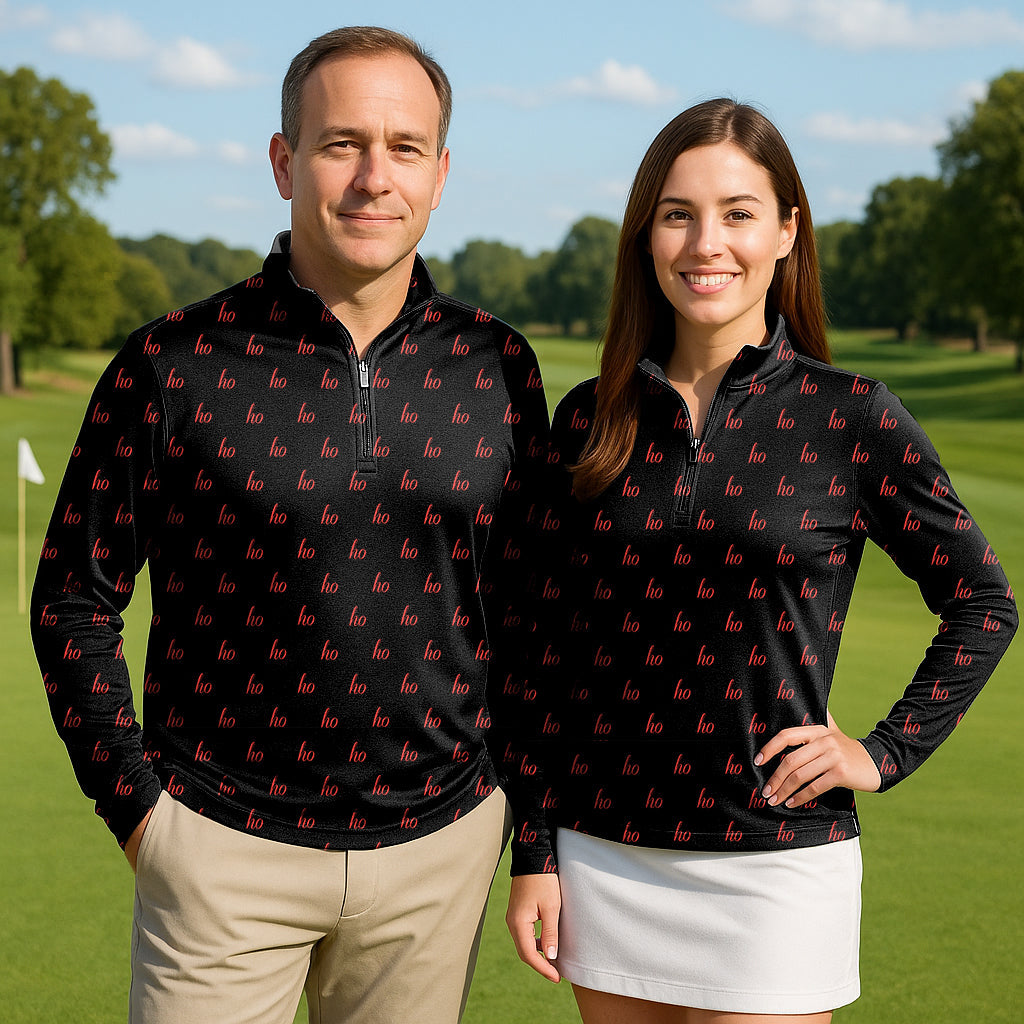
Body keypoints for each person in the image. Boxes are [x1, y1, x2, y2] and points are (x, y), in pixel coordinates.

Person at [31, 25, 550, 1024]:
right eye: (339, 143)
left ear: (440, 175)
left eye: (403, 149)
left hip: (437, 853)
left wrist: (518, 825)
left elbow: (531, 615)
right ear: (284, 162)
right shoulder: (172, 362)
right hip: (219, 849)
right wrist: (141, 814)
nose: (372, 178)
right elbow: (73, 596)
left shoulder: (498, 365)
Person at [502, 98, 1017, 1023]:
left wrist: (883, 753)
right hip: (603, 854)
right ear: (646, 236)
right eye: (678, 213)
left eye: (739, 213)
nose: (708, 243)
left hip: (777, 860)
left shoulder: (850, 415)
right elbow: (539, 657)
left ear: (787, 231)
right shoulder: (587, 420)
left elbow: (983, 600)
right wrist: (535, 849)